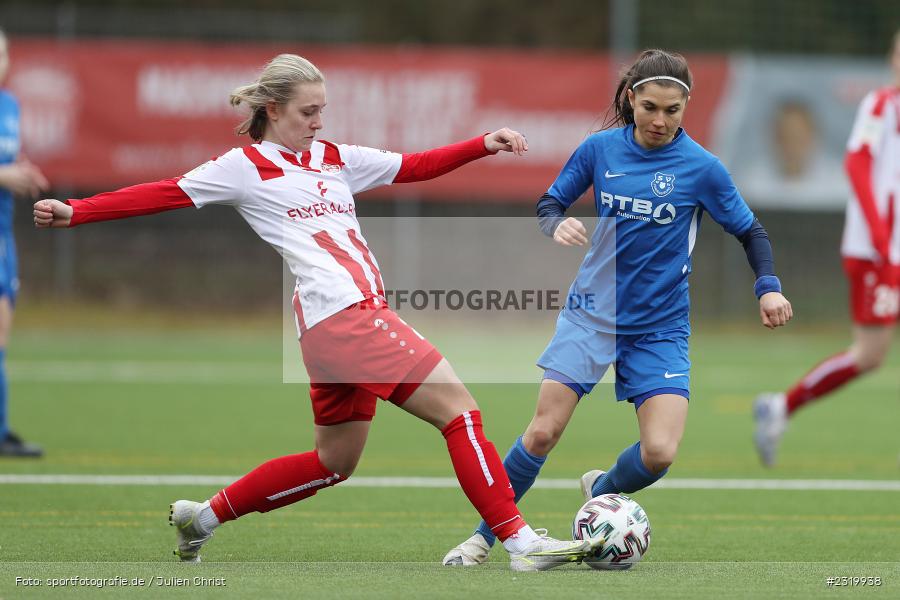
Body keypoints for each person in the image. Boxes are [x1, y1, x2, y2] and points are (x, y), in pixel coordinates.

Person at [33, 54, 602, 570]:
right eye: (309, 111)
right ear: (273, 109)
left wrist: (483, 143)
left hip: (329, 329)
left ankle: (200, 518)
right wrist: (74, 211)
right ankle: (519, 542)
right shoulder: (243, 166)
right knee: (460, 411)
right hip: (346, 317)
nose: (319, 121)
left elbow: (416, 165)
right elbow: (164, 191)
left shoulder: (334, 158)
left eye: (323, 110)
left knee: (333, 460)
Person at [442, 48, 793, 566]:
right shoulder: (599, 150)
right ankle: (482, 540)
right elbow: (550, 202)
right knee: (542, 431)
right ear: (631, 99)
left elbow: (749, 230)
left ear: (685, 108)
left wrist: (768, 285)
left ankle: (602, 491)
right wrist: (555, 223)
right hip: (591, 315)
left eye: (672, 111)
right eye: (650, 107)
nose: (660, 120)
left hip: (660, 328)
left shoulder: (702, 168)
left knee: (659, 454)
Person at [753, 29, 900, 467]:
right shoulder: (881, 104)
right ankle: (782, 406)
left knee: (870, 356)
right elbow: (857, 162)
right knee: (870, 354)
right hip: (878, 252)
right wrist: (878, 235)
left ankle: (781, 407)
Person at [0, 28, 48, 457]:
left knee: (1, 340)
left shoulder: (9, 105)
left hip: (3, 235)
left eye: (3, 54)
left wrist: (20, 170)